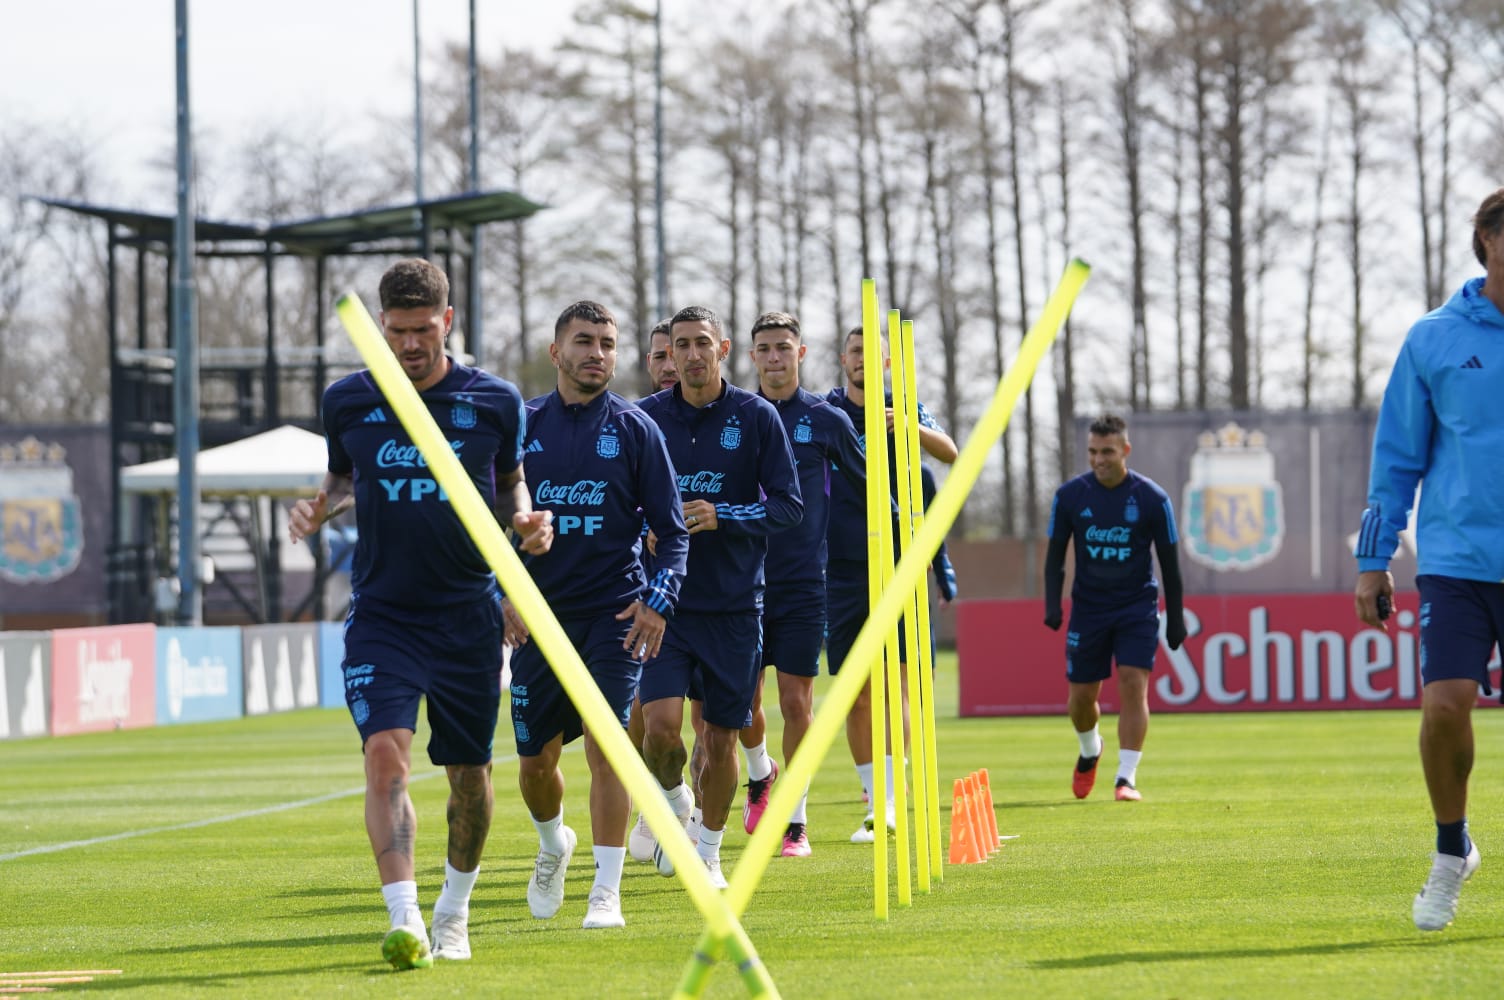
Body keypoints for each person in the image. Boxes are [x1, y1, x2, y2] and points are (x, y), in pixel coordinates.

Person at [288, 258, 553, 970]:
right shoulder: (347, 400)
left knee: (469, 776)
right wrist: (320, 507)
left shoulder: (494, 401)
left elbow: (511, 484)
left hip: (468, 615)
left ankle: (453, 912)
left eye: (423, 330)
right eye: (397, 331)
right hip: (384, 614)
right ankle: (404, 917)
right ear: (381, 325)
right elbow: (344, 476)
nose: (410, 345)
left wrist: (526, 523)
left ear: (448, 322)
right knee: (384, 754)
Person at [502, 301, 688, 930]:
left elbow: (674, 534)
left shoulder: (637, 430)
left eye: (607, 343)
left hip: (615, 616)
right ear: (556, 352)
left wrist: (659, 601)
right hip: (538, 621)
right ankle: (553, 843)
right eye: (584, 342)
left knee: (610, 748)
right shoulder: (521, 427)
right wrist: (502, 593)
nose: (597, 353)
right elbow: (487, 524)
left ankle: (606, 891)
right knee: (535, 766)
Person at [1354, 188, 1504, 932]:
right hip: (1457, 561)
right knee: (1445, 706)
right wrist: (1373, 556)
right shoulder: (1433, 338)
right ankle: (1452, 852)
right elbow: (1396, 459)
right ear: (1487, 241)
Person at [635, 305, 802, 888]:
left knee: (721, 738)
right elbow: (620, 502)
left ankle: (707, 852)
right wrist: (644, 526)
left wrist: (721, 514)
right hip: (666, 604)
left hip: (734, 607)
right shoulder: (645, 418)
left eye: (702, 343)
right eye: (680, 345)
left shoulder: (756, 417)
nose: (691, 354)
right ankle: (676, 802)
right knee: (658, 729)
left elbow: (789, 506)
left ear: (723, 349)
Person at [738, 311, 866, 857]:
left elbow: (869, 485)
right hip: (740, 584)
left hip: (804, 584)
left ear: (801, 353)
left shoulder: (825, 419)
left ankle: (795, 821)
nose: (774, 358)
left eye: (783, 348)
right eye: (764, 349)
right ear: (751, 356)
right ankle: (760, 771)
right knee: (741, 706)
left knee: (796, 702)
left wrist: (905, 536)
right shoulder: (736, 417)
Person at [825, 326, 958, 842]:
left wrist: (906, 425)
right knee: (854, 692)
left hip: (900, 563)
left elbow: (949, 452)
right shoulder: (827, 410)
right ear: (843, 359)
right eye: (854, 351)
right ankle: (873, 797)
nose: (862, 359)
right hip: (840, 566)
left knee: (897, 681)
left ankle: (890, 801)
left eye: (871, 352)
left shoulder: (903, 406)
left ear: (886, 361)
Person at [1042, 413, 1185, 804]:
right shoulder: (1070, 496)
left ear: (1125, 450)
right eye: (1092, 451)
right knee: (1081, 698)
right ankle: (1091, 749)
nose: (1098, 459)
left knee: (1133, 683)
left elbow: (1170, 565)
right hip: (1089, 608)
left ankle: (1126, 778)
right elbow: (1055, 557)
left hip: (1137, 605)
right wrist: (1052, 603)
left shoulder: (1152, 498)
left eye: (1107, 451)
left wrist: (1175, 617)